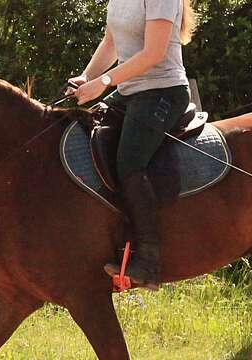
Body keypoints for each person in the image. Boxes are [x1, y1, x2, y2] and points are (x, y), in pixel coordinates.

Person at [68, 0, 197, 290]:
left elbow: (153, 53)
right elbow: (111, 42)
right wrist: (86, 77)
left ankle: (148, 259)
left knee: (129, 162)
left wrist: (103, 82)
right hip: (130, 92)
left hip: (163, 91)